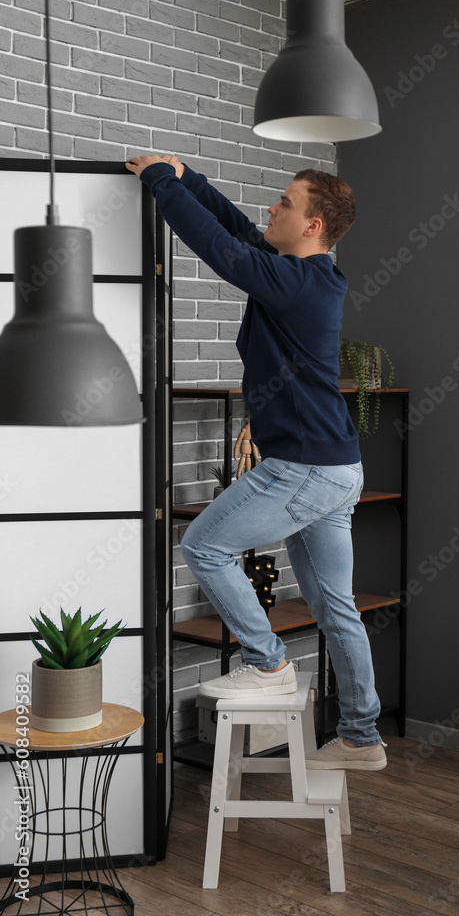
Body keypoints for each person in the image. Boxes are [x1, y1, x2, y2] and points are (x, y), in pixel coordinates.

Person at [125, 152, 387, 770]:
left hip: (304, 468)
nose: (274, 208)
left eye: (287, 203)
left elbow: (221, 248)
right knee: (335, 609)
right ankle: (361, 736)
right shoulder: (300, 272)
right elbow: (239, 230)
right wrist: (189, 179)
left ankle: (267, 662)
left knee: (206, 547)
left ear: (315, 226)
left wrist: (160, 182)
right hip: (333, 467)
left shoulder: (296, 283)